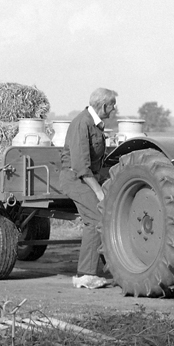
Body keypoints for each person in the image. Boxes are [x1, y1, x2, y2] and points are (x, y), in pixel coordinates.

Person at [58, 88, 117, 279]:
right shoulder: (82, 123)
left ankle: (114, 265)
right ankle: (86, 275)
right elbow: (81, 168)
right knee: (95, 218)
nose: (114, 109)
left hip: (87, 177)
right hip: (74, 178)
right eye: (112, 105)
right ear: (103, 105)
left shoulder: (95, 124)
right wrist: (99, 192)